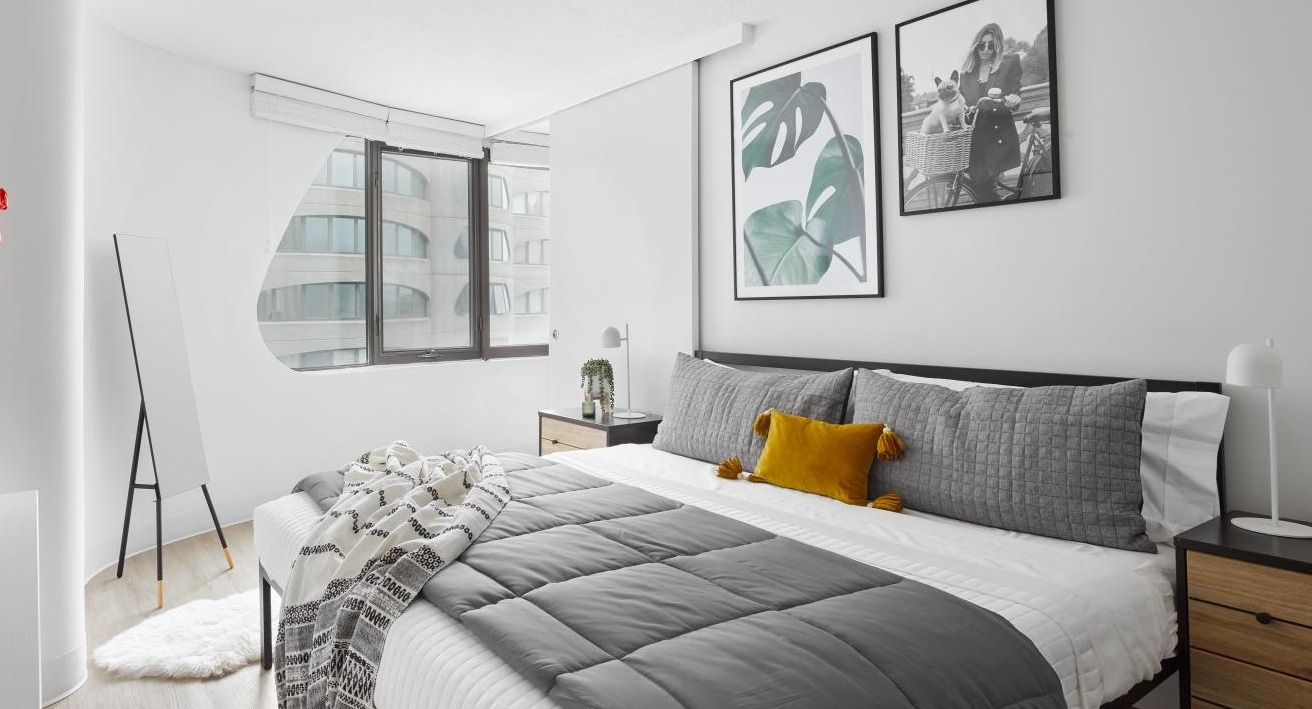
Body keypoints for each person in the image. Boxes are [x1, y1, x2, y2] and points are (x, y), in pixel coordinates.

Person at [960, 23, 1022, 202]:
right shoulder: (966, 73)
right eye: (982, 44)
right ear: (975, 46)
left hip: (997, 136)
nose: (986, 49)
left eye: (991, 45)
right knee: (981, 190)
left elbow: (1015, 93)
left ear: (997, 46)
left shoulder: (1009, 63)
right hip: (974, 139)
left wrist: (1013, 100)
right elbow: (960, 100)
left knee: (985, 190)